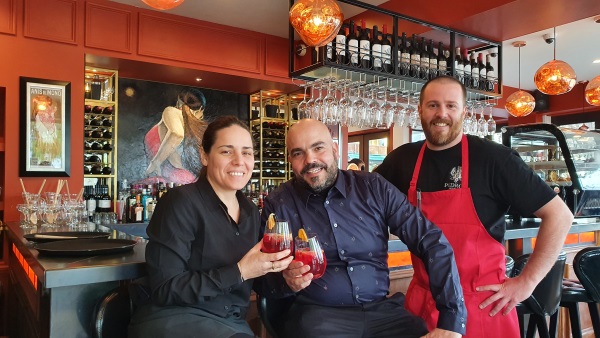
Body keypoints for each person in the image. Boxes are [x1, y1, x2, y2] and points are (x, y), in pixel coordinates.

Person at [375, 75, 573, 337]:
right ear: (420, 110)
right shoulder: (403, 159)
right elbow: (357, 198)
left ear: (464, 112)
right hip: (423, 301)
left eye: (451, 105)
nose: (441, 113)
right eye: (433, 105)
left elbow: (559, 215)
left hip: (481, 305)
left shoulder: (494, 159)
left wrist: (527, 282)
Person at [258, 118, 466, 338]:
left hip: (383, 314)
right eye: (298, 153)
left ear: (335, 149)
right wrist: (285, 281)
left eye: (318, 148)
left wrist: (452, 320)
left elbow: (430, 240)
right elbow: (261, 278)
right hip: (318, 318)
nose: (310, 160)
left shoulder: (373, 187)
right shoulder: (279, 204)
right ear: (290, 159)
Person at [129, 116, 293, 338]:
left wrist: (289, 280)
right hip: (175, 319)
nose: (239, 161)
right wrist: (239, 271)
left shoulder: (251, 213)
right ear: (204, 156)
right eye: (226, 151)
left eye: (246, 152)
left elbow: (258, 282)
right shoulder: (180, 202)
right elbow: (166, 288)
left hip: (231, 324)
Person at [144, 88, 208, 184]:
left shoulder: (178, 119)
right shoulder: (172, 111)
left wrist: (155, 164)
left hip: (171, 175)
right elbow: (176, 135)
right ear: (201, 109)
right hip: (172, 175)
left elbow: (173, 145)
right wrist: (155, 163)